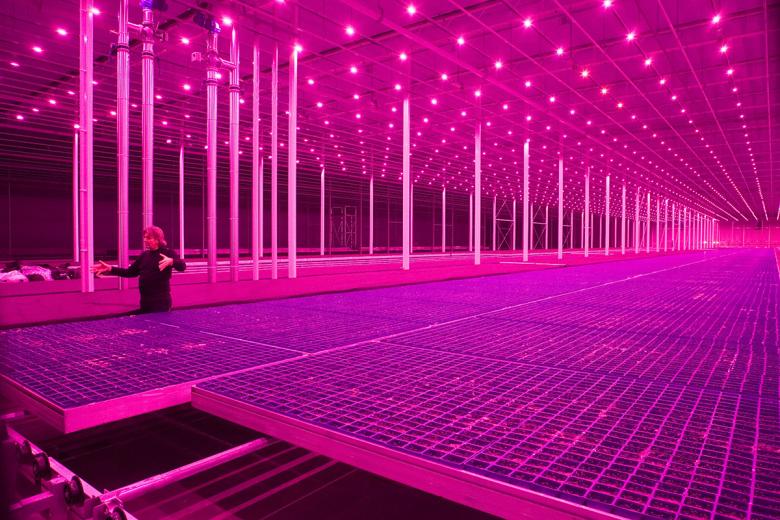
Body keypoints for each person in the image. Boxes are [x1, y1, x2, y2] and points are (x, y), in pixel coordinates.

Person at [92, 225, 186, 313]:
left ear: (157, 239)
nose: (145, 240)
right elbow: (130, 272)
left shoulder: (168, 253)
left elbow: (182, 267)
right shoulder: (144, 255)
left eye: (148, 238)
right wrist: (110, 268)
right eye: (144, 237)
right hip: (145, 302)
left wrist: (172, 261)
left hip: (161, 303)